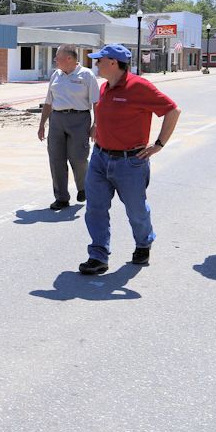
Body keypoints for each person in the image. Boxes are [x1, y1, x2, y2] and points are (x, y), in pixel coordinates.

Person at [78, 44, 181, 275]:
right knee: (95, 208)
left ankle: (144, 242)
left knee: (136, 210)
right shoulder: (105, 87)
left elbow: (173, 111)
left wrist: (158, 145)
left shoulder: (139, 86)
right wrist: (98, 126)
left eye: (99, 60)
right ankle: (98, 255)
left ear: (113, 63)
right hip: (100, 158)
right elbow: (108, 114)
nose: (96, 64)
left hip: (130, 163)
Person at [37, 44, 100, 210]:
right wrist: (42, 124)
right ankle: (61, 197)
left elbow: (96, 102)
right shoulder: (56, 75)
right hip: (57, 120)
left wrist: (96, 124)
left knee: (78, 157)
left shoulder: (86, 75)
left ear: (69, 58)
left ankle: (83, 187)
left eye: (58, 58)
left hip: (79, 119)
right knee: (56, 159)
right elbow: (48, 101)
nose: (55, 60)